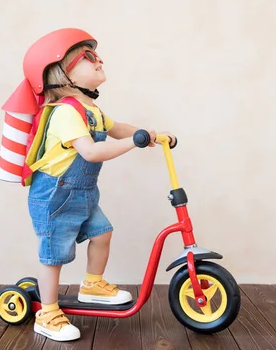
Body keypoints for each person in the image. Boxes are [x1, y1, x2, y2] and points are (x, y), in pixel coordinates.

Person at [19, 28, 176, 341]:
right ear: (62, 75)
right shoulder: (65, 112)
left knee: (102, 233)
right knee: (54, 254)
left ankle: (92, 285)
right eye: (88, 57)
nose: (99, 60)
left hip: (82, 192)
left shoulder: (90, 110)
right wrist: (134, 142)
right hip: (55, 195)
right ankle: (47, 313)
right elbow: (90, 152)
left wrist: (150, 136)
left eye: (96, 54)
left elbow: (116, 129)